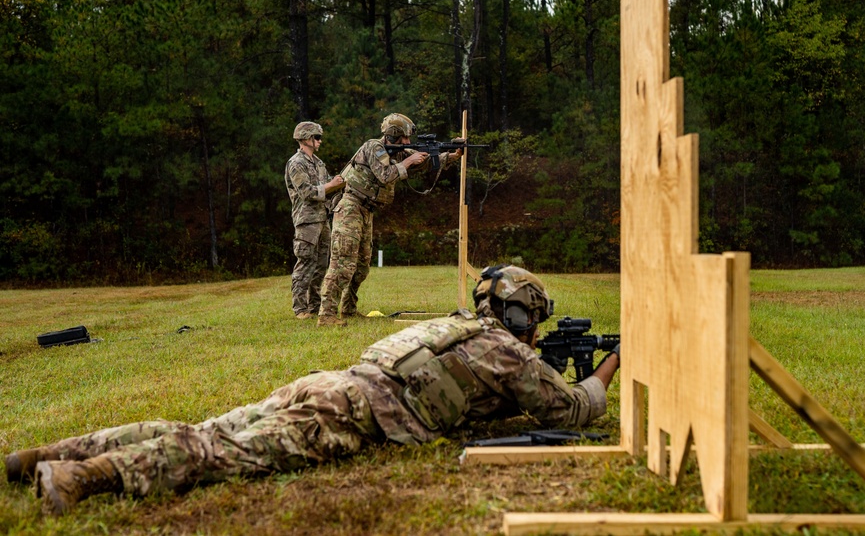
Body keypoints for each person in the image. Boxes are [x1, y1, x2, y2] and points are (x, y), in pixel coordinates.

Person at [6, 266, 621, 517]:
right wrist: (611, 364)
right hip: (354, 414)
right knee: (218, 455)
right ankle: (81, 478)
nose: (532, 332)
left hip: (328, 383)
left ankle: (46, 453)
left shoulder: (454, 324)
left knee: (206, 430)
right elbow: (575, 408)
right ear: (520, 318)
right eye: (531, 322)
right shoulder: (510, 353)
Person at [317, 113, 462, 326]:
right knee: (343, 261)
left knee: (362, 265)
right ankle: (327, 315)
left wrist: (452, 154)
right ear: (392, 134)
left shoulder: (398, 152)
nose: (407, 142)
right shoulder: (373, 147)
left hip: (366, 210)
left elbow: (424, 163)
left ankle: (348, 309)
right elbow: (385, 175)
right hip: (350, 206)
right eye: (403, 137)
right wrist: (410, 160)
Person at [284, 121, 344, 319]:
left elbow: (329, 188)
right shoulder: (296, 163)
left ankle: (314, 306)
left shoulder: (318, 163)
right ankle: (300, 309)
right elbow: (306, 193)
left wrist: (338, 185)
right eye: (317, 137)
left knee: (321, 265)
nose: (320, 141)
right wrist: (331, 185)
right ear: (306, 139)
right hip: (306, 221)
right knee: (305, 263)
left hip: (322, 219)